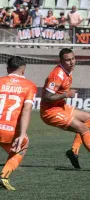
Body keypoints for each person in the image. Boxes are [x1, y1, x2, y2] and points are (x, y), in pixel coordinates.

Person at [40, 48, 90, 170]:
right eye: (68, 60)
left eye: (73, 59)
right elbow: (46, 97)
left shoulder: (68, 71)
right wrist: (65, 95)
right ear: (61, 61)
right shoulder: (57, 75)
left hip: (60, 107)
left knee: (88, 118)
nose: (72, 62)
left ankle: (74, 151)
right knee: (83, 129)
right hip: (50, 112)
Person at [0, 56, 37, 190]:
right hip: (9, 130)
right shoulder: (30, 86)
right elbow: (27, 109)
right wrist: (22, 134)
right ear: (23, 70)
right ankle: (4, 175)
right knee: (23, 145)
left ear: (8, 69)